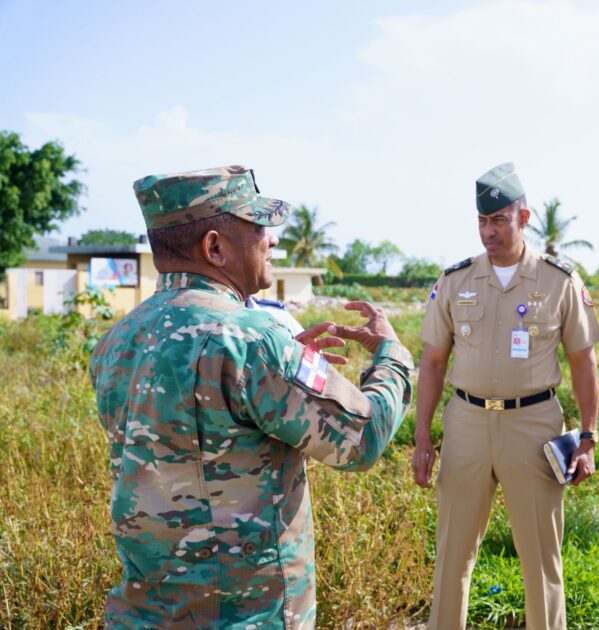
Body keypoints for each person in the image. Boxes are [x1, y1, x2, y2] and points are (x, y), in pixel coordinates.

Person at [89, 165, 414, 628]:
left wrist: (285, 370)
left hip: (143, 615)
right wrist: (392, 353)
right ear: (214, 247)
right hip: (243, 616)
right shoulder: (251, 340)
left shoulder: (117, 339)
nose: (272, 240)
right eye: (258, 226)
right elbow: (362, 439)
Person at [414, 161, 599, 629]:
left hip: (534, 425)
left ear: (524, 217)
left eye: (498, 220)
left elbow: (583, 362)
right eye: (482, 220)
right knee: (452, 555)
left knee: (541, 559)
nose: (487, 230)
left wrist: (589, 436)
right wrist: (422, 438)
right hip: (467, 423)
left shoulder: (559, 281)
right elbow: (433, 363)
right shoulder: (455, 281)